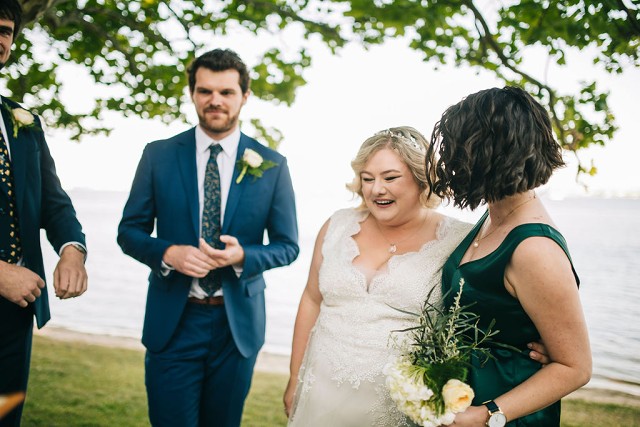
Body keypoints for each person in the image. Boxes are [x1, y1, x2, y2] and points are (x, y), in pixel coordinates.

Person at [117, 48, 299, 427]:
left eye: (226, 92)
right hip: (174, 322)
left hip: (237, 330)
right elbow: (129, 232)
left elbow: (288, 246)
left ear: (244, 96)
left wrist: (243, 257)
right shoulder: (158, 155)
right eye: (205, 91)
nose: (215, 100)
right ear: (192, 94)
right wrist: (169, 253)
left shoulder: (273, 165)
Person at [284, 127, 474, 426]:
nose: (376, 190)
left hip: (396, 405)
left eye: (390, 178)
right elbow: (311, 299)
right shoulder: (337, 225)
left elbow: (481, 313)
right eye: (368, 178)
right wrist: (295, 376)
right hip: (318, 390)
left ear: (421, 178)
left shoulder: (458, 240)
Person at [427, 86, 592, 426]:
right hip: (462, 402)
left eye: (457, 150)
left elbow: (575, 367)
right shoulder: (493, 217)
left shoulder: (534, 248)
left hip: (504, 415)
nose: (449, 162)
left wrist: (485, 415)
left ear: (488, 153)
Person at [0, 1, 88, 426]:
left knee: (6, 415)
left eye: (5, 31)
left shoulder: (24, 122)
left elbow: (53, 201)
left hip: (15, 315)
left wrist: (72, 250)